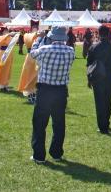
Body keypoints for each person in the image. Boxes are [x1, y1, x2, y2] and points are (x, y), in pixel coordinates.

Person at [29, 26, 75, 163]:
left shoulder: (44, 49)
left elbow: (32, 54)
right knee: (59, 123)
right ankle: (56, 153)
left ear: (51, 37)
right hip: (61, 90)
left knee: (39, 123)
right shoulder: (71, 51)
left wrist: (38, 38)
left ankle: (39, 156)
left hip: (45, 90)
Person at [87, 25, 111, 134]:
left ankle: (102, 126)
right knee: (108, 101)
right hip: (110, 77)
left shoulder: (93, 47)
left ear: (98, 33)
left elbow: (89, 65)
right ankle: (106, 123)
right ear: (108, 34)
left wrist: (89, 80)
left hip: (97, 77)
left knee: (99, 102)